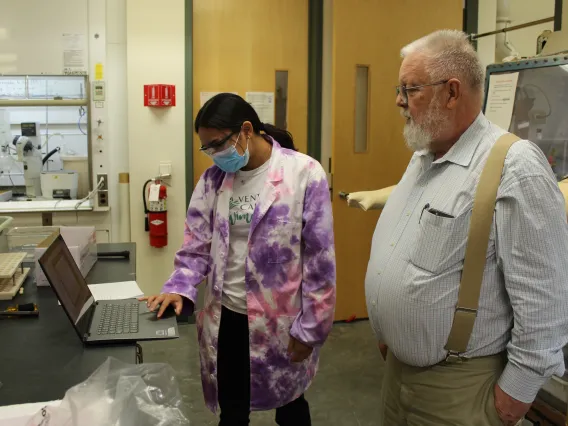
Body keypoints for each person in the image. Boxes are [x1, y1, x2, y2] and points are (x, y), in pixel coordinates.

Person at [365, 30, 568, 426]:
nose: (398, 100)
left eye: (410, 89)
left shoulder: (516, 167)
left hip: (461, 393)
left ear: (452, 93)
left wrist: (514, 397)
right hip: (399, 379)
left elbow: (546, 304)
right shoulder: (424, 157)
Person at [143, 93, 336, 426]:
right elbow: (196, 246)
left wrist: (312, 328)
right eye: (208, 148)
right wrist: (179, 287)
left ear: (247, 130)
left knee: (290, 405)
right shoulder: (213, 181)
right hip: (227, 316)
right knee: (232, 411)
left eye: (218, 144)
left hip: (283, 321)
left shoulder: (304, 173)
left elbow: (320, 261)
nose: (215, 155)